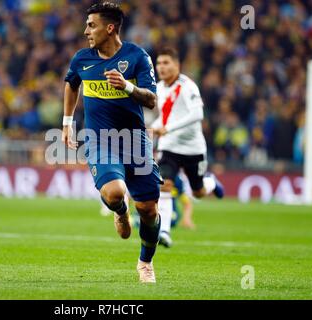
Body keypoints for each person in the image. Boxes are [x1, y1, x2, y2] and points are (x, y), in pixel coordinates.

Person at [63, 2, 163, 283]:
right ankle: (120, 212)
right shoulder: (82, 59)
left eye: (91, 25)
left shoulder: (137, 57)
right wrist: (67, 123)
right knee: (115, 193)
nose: (86, 31)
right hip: (99, 140)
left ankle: (145, 263)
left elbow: (152, 100)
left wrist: (127, 86)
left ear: (110, 28)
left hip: (135, 141)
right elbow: (71, 84)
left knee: (148, 210)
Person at [151, 47, 224, 247]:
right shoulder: (158, 88)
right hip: (169, 147)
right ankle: (164, 231)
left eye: (166, 63)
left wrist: (168, 128)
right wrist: (155, 128)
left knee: (198, 191)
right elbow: (166, 118)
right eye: (159, 63)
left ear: (177, 65)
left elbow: (197, 115)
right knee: (164, 185)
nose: (161, 67)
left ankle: (211, 182)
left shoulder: (188, 86)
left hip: (193, 148)